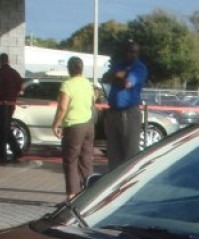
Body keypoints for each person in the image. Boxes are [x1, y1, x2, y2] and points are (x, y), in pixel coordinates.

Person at [52, 57, 95, 200]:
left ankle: (71, 195)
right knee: (86, 159)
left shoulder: (67, 85)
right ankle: (88, 192)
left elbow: (63, 107)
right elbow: (92, 101)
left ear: (69, 69)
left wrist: (56, 124)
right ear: (81, 68)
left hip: (73, 126)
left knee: (70, 160)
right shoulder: (88, 83)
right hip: (88, 125)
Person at [101, 40, 147, 170]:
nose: (129, 54)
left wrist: (117, 77)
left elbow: (127, 83)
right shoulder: (119, 65)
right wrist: (119, 76)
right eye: (127, 50)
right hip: (113, 112)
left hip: (129, 113)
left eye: (132, 51)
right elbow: (106, 77)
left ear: (137, 53)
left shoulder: (139, 68)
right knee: (113, 156)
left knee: (130, 156)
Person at [0, 52, 24, 163]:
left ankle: (3, 156)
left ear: (0, 61)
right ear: (8, 61)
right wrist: (14, 96)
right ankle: (16, 152)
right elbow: (21, 87)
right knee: (5, 128)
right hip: (11, 104)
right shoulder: (14, 73)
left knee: (2, 129)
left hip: (2, 104)